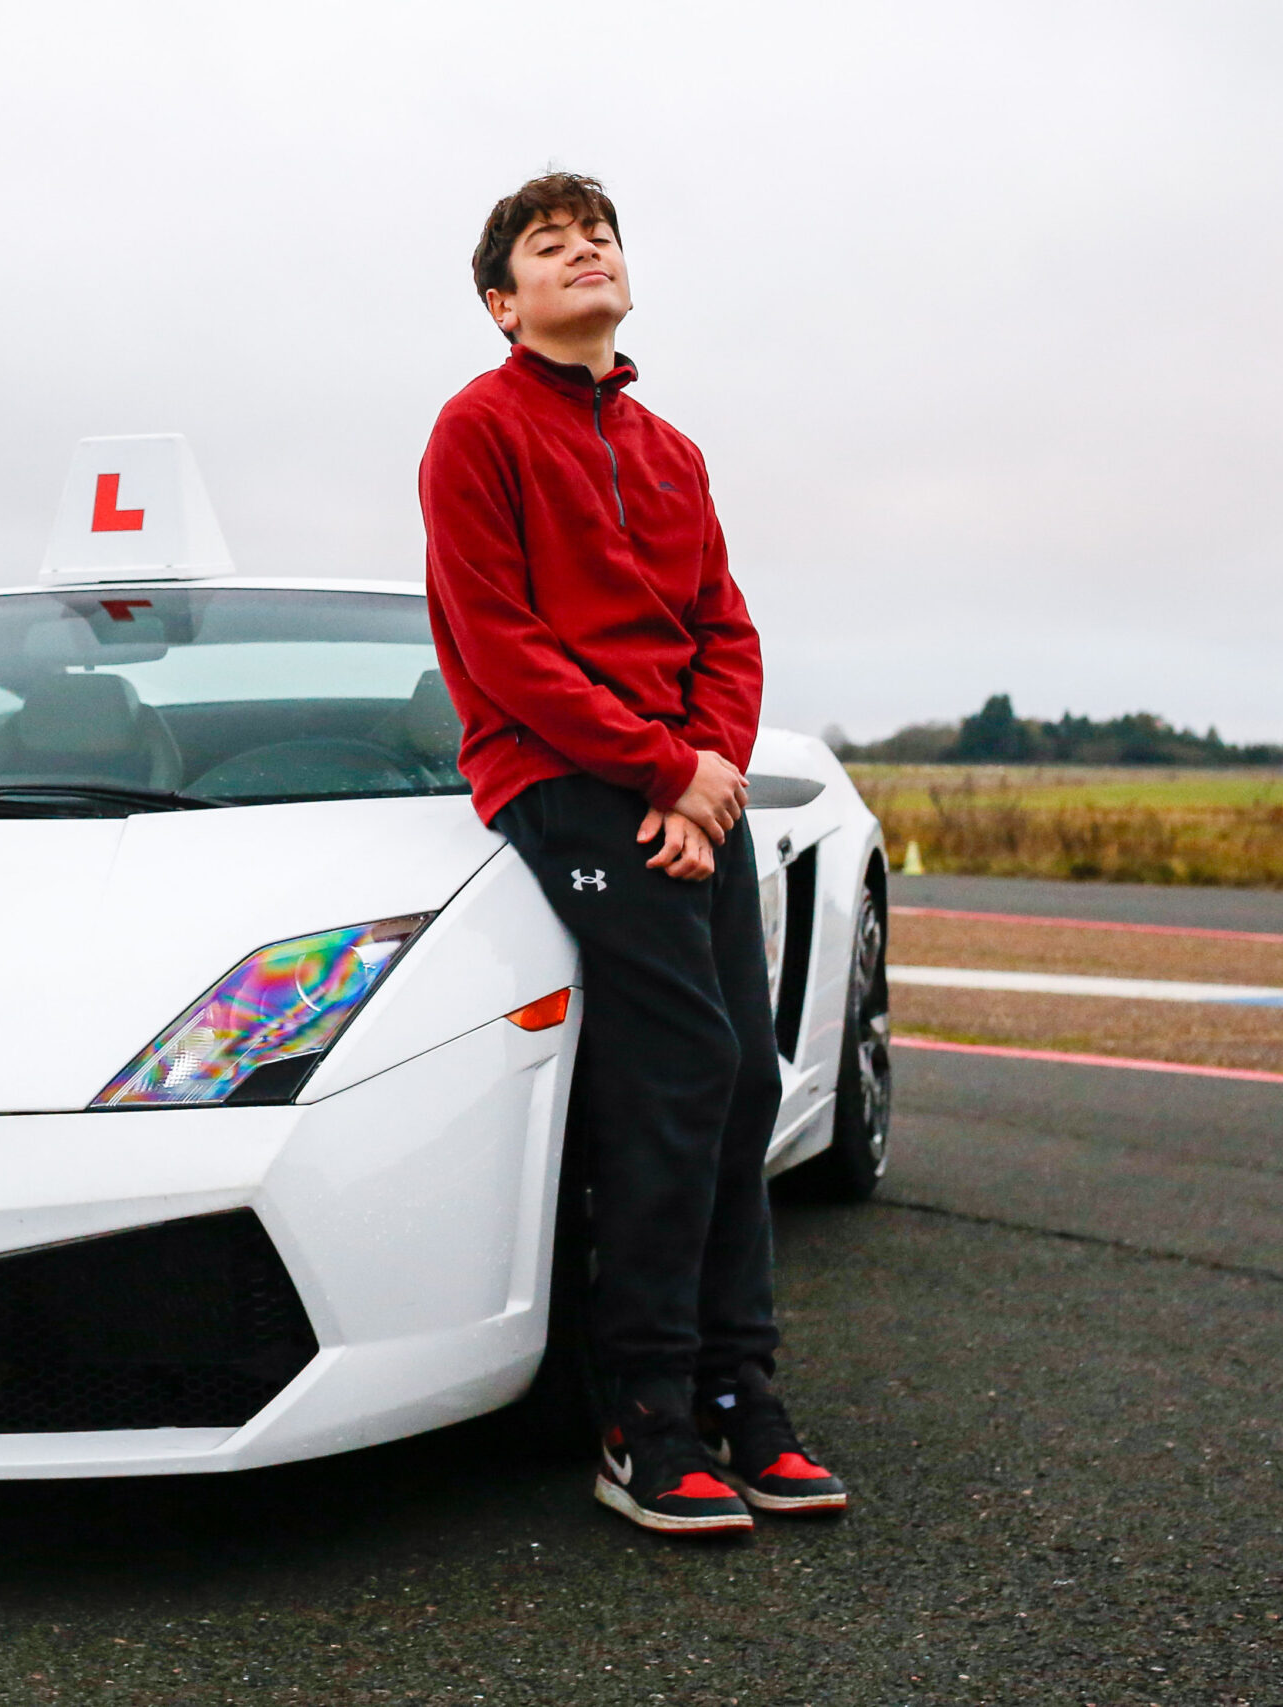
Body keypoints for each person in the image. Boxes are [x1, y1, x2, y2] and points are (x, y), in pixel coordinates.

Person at [417, 172, 849, 1537]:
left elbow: (728, 630)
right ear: (505, 300)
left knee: (743, 1074)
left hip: (678, 788)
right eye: (551, 244)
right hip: (561, 775)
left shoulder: (670, 449)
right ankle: (645, 1415)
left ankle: (742, 1391)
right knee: (675, 1071)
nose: (585, 249)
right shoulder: (475, 431)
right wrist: (667, 769)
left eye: (599, 234)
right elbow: (503, 648)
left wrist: (710, 775)